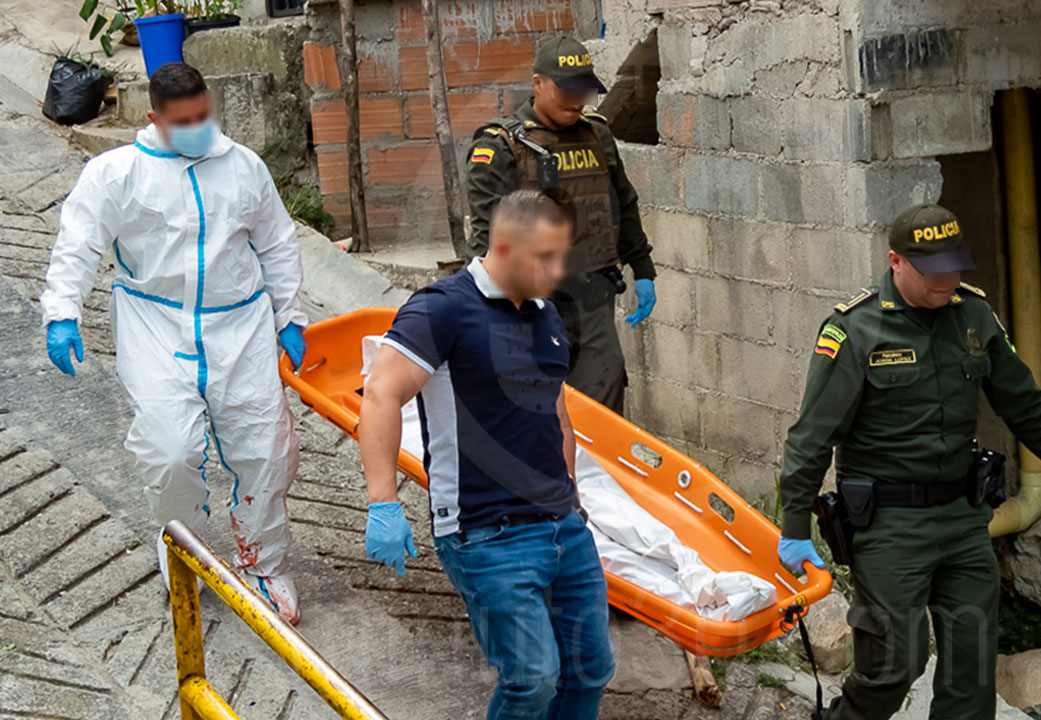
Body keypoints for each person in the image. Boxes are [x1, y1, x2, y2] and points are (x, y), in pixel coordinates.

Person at [775, 204, 1041, 720]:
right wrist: (793, 526)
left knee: (972, 668)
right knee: (896, 661)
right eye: (933, 270)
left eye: (955, 266)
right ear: (896, 262)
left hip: (964, 517)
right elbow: (811, 436)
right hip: (889, 525)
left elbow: (1022, 400)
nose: (947, 279)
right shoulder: (855, 329)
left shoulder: (973, 314)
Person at [41, 62, 307, 624]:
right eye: (184, 121)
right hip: (155, 325)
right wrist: (62, 312)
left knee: (266, 450)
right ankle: (184, 554)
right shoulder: (115, 174)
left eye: (204, 116)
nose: (199, 128)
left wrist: (291, 316)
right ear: (153, 118)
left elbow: (277, 243)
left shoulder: (242, 167)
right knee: (170, 451)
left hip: (241, 325)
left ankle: (264, 563)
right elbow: (80, 243)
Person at [360, 189, 615, 720]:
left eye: (561, 255)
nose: (556, 269)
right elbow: (382, 392)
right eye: (544, 256)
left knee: (590, 669)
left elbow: (556, 414)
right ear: (502, 247)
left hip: (562, 526)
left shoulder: (545, 315)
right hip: (485, 532)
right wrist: (383, 501)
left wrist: (572, 505)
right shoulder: (443, 308)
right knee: (533, 680)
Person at [464, 34, 657, 414]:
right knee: (534, 410)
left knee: (604, 405)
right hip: (531, 304)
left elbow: (623, 202)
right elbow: (488, 239)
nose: (577, 100)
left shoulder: (598, 134)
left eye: (584, 90)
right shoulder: (499, 147)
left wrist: (643, 267)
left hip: (593, 297)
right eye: (566, 90)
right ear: (538, 84)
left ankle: (598, 476)